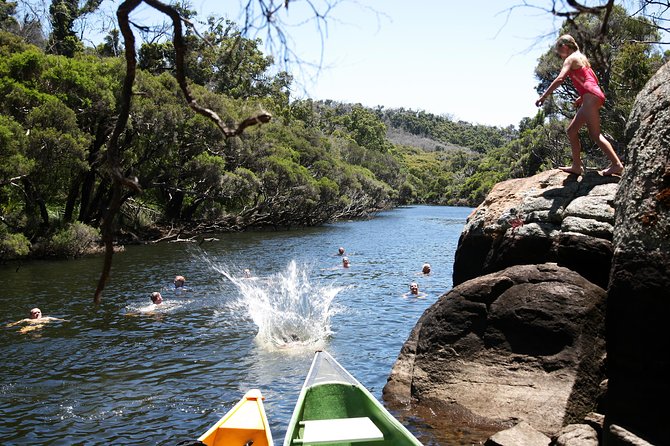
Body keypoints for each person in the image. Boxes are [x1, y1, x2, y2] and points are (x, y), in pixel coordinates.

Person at [535, 34, 624, 176]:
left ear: (564, 47)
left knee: (595, 135)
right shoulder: (582, 57)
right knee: (571, 131)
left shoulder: (570, 59)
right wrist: (581, 97)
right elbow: (591, 79)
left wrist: (543, 96)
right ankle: (577, 166)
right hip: (592, 96)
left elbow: (560, 78)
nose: (560, 55)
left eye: (559, 52)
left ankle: (617, 165)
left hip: (590, 97)